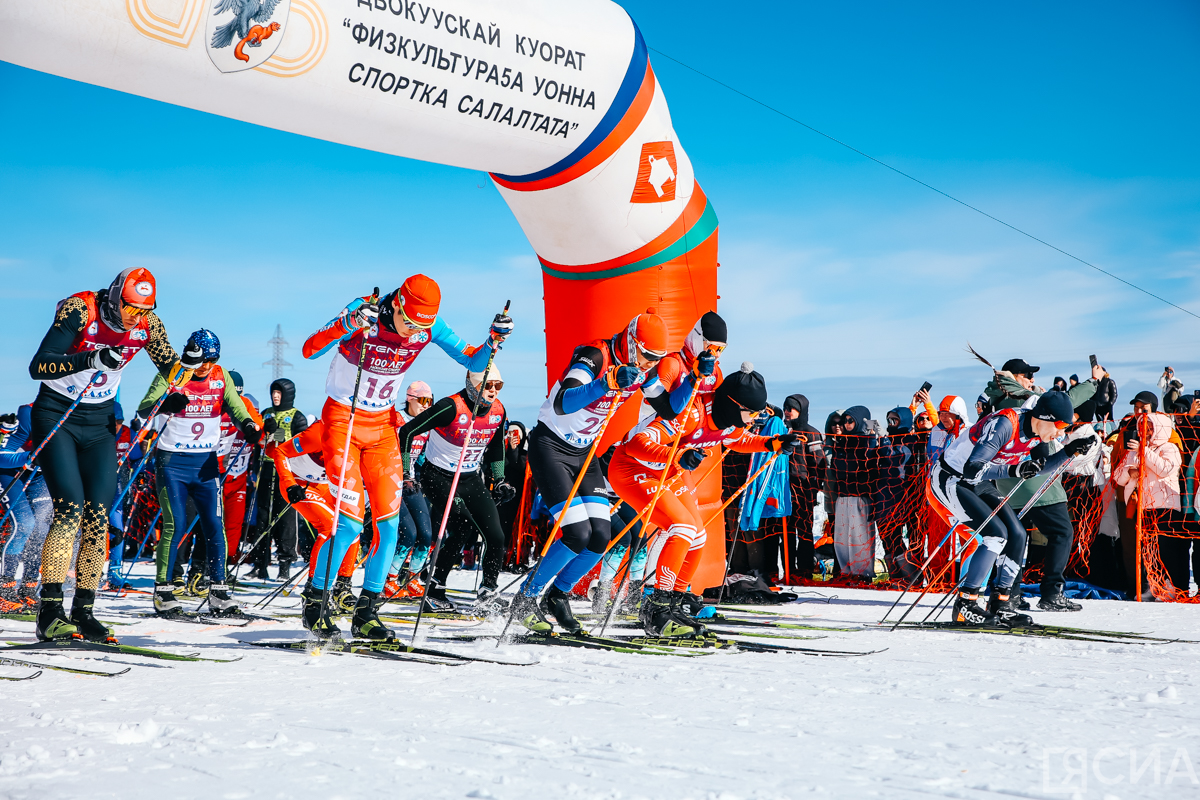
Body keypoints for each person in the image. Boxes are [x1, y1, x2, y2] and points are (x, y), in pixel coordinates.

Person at [300, 274, 509, 639]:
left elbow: (473, 360)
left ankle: (366, 612)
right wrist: (346, 325)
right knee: (348, 525)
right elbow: (309, 349)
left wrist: (493, 341)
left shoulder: (428, 326)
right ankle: (315, 601)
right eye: (409, 323)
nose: (414, 332)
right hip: (344, 421)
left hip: (382, 428)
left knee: (389, 527)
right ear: (396, 305)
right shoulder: (364, 310)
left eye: (421, 327)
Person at [26, 267, 196, 641]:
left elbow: (171, 368)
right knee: (70, 508)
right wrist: (92, 359)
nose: (136, 317)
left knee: (98, 516)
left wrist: (186, 371)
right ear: (116, 297)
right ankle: (50, 611)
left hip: (100, 420)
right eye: (131, 308)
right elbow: (39, 365)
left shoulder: (149, 322)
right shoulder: (79, 309)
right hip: (58, 414)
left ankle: (83, 610)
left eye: (143, 310)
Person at [513, 309, 692, 635]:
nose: (650, 364)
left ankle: (558, 594)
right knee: (576, 533)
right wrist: (606, 383)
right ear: (631, 341)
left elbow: (667, 409)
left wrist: (693, 377)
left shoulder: (643, 369)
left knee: (601, 536)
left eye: (656, 359)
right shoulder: (596, 354)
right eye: (647, 355)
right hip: (550, 447)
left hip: (584, 453)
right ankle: (526, 597)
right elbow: (563, 403)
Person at [606, 364, 800, 637]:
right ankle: (657, 608)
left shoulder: (728, 421)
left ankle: (675, 601)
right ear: (733, 404)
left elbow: (737, 440)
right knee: (682, 527)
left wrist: (772, 443)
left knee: (698, 535)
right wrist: (678, 456)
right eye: (751, 412)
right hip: (631, 468)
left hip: (666, 472)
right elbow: (638, 441)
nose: (753, 418)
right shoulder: (691, 412)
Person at [928, 391, 1091, 625]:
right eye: (1061, 425)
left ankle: (1001, 602)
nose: (1061, 432)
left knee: (1017, 534)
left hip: (977, 482)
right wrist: (1014, 470)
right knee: (995, 535)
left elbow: (1041, 468)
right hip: (950, 479)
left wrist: (1070, 450)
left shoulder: (1038, 433)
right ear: (1044, 417)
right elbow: (973, 467)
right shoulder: (1005, 424)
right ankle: (966, 603)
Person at [140, 330, 263, 617]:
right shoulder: (172, 374)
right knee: (176, 523)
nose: (206, 365)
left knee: (215, 523)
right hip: (173, 462)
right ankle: (163, 590)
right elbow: (145, 408)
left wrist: (248, 426)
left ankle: (218, 589)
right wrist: (166, 404)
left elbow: (235, 407)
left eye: (212, 359)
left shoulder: (221, 376)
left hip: (206, 463)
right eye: (203, 359)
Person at [984, 357, 1105, 610]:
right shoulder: (1023, 398)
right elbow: (1065, 402)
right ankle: (1052, 592)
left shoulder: (994, 398)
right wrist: (1094, 382)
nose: (1032, 380)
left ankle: (1011, 592)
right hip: (1037, 479)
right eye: (1027, 375)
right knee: (1061, 532)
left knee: (1014, 538)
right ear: (1012, 377)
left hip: (1005, 480)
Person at [397, 366, 511, 610]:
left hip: (469, 478)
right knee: (462, 526)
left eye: (497, 386)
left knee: (496, 535)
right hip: (437, 475)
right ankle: (434, 585)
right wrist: (407, 471)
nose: (493, 391)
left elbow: (496, 447)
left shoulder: (498, 411)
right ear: (472, 384)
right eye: (487, 385)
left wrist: (500, 479)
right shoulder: (450, 407)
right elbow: (407, 431)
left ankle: (488, 589)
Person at [265, 420, 360, 625]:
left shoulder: (361, 436)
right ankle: (312, 591)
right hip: (299, 484)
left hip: (325, 485)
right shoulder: (318, 432)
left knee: (353, 527)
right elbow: (280, 452)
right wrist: (289, 484)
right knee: (328, 528)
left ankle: (342, 589)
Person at [382, 380, 436, 602]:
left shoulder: (426, 424)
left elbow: (423, 455)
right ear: (411, 400)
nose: (426, 406)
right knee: (408, 534)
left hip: (412, 483)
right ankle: (390, 581)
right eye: (423, 401)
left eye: (429, 402)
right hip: (391, 482)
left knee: (426, 535)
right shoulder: (396, 420)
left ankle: (412, 579)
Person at [250, 377, 307, 580]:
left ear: (287, 395)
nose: (275, 396)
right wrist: (266, 434)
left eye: (279, 393)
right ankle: (260, 563)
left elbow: (303, 445)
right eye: (273, 392)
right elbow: (259, 442)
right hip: (266, 467)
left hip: (287, 470)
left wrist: (280, 437)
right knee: (263, 517)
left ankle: (285, 564)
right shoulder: (266, 413)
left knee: (286, 518)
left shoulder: (297, 417)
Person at [0, 404, 52, 613]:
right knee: (24, 524)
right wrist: (29, 457)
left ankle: (28, 589)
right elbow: (3, 454)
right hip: (9, 471)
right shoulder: (30, 413)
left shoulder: (77, 414)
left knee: (41, 528)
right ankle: (4, 589)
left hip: (39, 473)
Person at [217, 371, 263, 569]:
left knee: (235, 523)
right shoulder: (218, 405)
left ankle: (228, 559)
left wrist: (263, 430)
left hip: (238, 476)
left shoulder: (246, 404)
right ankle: (207, 564)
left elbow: (259, 428)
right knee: (214, 522)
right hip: (216, 475)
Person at [782, 394, 825, 580]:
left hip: (804, 489)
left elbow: (819, 464)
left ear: (801, 411)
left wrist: (813, 489)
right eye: (785, 408)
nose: (787, 412)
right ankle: (789, 571)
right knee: (786, 532)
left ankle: (805, 570)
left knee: (805, 531)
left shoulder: (811, 433)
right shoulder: (782, 431)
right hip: (783, 490)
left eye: (790, 409)